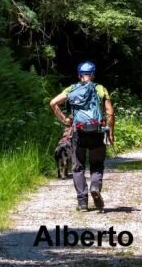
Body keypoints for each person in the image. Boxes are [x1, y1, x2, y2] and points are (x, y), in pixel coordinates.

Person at [49, 61, 115, 212]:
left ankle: (82, 203)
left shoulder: (72, 89)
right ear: (93, 74)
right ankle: (95, 187)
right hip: (97, 132)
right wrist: (111, 132)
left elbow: (53, 103)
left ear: (79, 75)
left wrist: (65, 120)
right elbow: (110, 112)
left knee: (78, 167)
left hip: (78, 133)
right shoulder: (100, 88)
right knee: (97, 164)